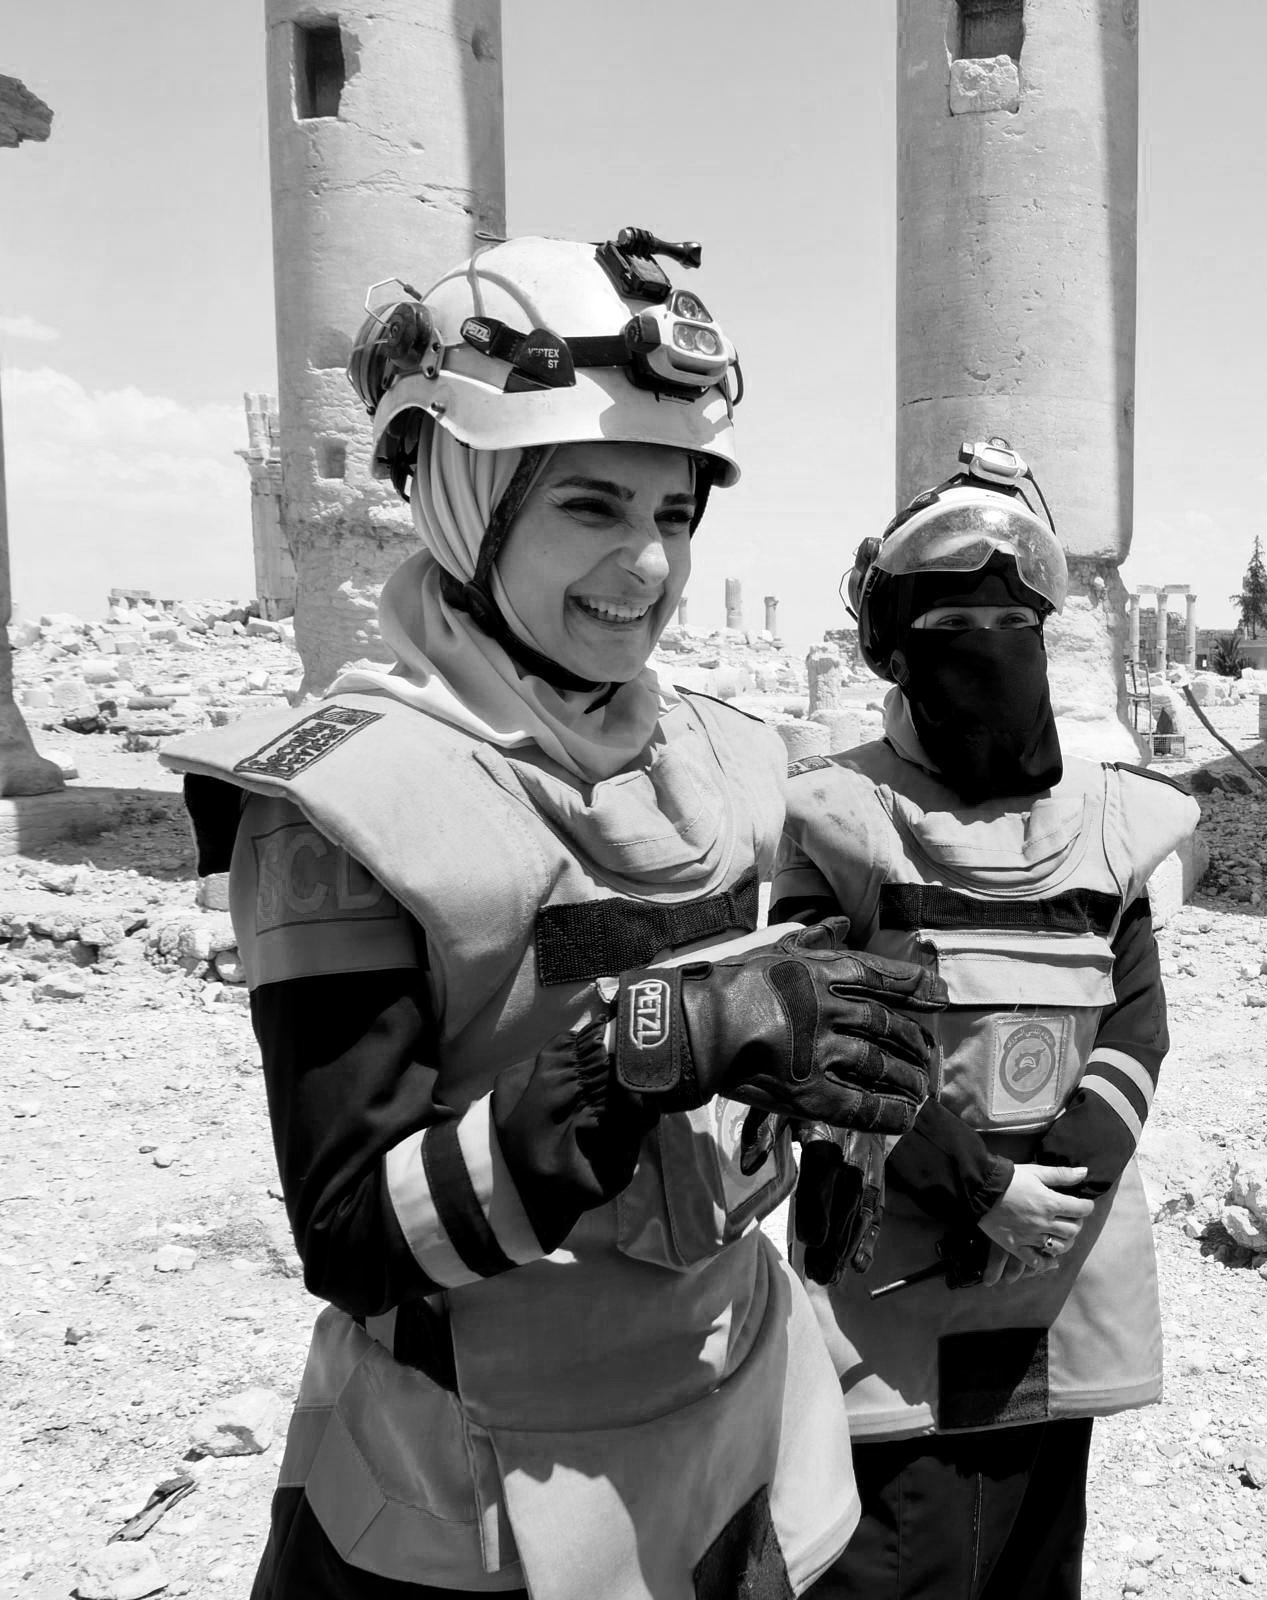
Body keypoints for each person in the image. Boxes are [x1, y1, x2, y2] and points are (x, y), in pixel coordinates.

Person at [160, 231, 942, 1600]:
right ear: (466, 497)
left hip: (739, 1420)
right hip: (473, 1492)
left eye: (677, 514)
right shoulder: (345, 807)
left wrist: (825, 1116)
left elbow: (747, 1027)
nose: (646, 564)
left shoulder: (730, 758)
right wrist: (658, 1039)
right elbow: (351, 1235)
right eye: (590, 506)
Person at [772, 440, 1200, 1600]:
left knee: (1027, 1557)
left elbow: (1136, 1022)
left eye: (1011, 620)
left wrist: (1050, 1189)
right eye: (957, 619)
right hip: (893, 1284)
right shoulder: (833, 815)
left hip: (1053, 1286)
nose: (988, 648)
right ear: (893, 644)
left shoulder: (1107, 818)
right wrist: (982, 1190)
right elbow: (821, 1033)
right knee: (890, 1562)